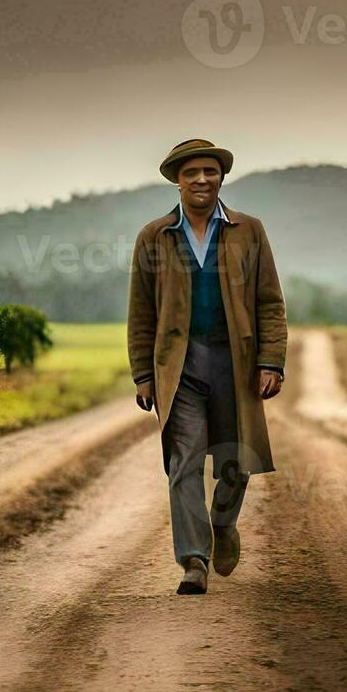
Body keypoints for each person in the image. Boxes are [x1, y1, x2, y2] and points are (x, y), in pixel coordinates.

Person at [127, 138, 287, 595]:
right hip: (179, 368)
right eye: (192, 172)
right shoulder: (154, 237)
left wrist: (271, 360)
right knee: (185, 461)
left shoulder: (249, 231)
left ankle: (223, 523)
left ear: (221, 178)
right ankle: (193, 560)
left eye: (210, 172)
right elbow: (140, 314)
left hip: (235, 363)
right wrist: (143, 374)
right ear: (177, 181)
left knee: (236, 462)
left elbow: (270, 303)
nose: (201, 179)